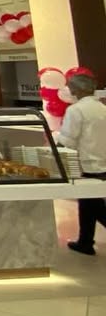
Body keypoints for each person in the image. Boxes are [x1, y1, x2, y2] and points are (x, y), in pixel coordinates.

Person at [59, 74, 106, 256]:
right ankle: (85, 241)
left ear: (75, 90)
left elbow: (68, 140)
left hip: (88, 163)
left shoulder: (75, 110)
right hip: (102, 162)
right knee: (87, 204)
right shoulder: (102, 107)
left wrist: (56, 142)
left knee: (91, 204)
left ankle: (85, 241)